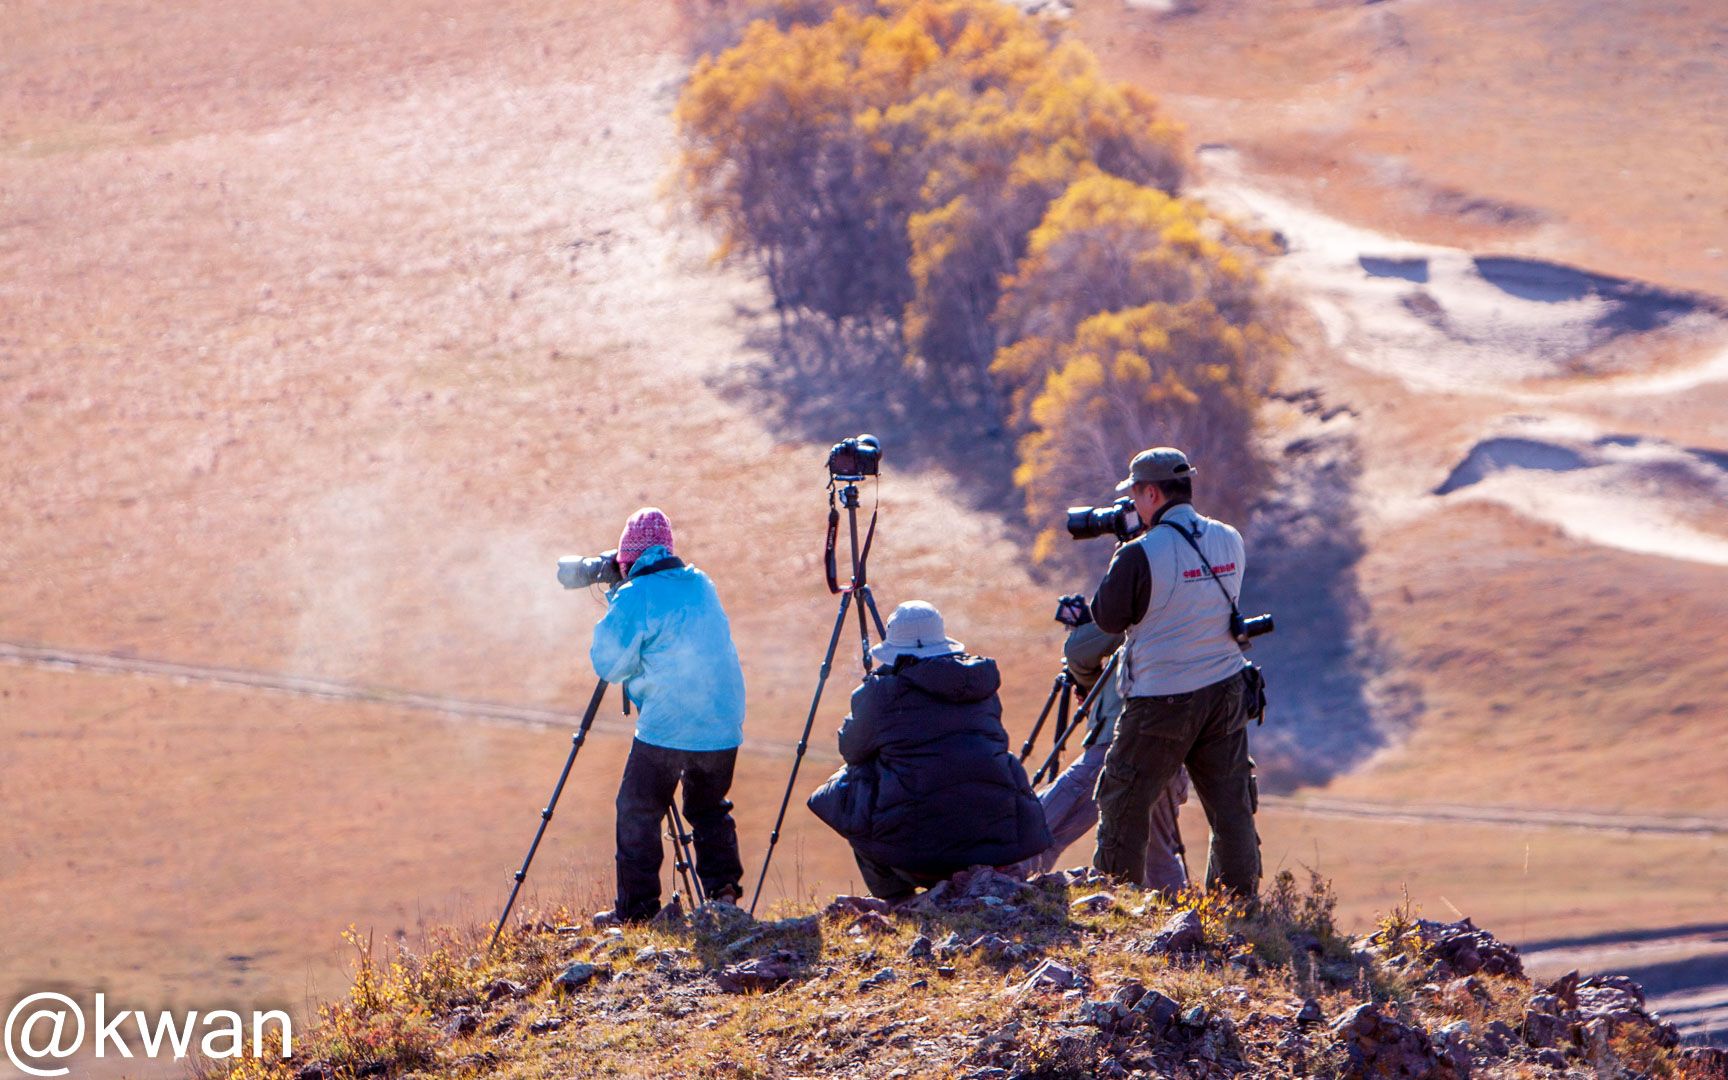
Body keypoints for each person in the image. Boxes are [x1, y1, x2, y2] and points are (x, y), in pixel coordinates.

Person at [1090, 447, 1261, 898]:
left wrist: (1124, 551)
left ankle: (1116, 904)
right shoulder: (1230, 538)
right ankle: (1236, 907)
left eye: (1135, 497)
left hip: (1161, 699)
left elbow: (1107, 618)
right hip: (1225, 689)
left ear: (1151, 493)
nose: (1132, 507)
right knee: (1231, 806)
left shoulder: (1140, 555)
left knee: (1125, 799)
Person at [807, 601, 1052, 902]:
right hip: (998, 846)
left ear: (895, 651)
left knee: (847, 788)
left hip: (917, 859)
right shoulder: (979, 687)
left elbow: (852, 750)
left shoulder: (882, 693)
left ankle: (898, 901)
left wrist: (869, 695)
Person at [590, 507, 747, 922]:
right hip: (723, 723)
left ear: (628, 559)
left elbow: (610, 665)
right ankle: (724, 897)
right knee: (709, 806)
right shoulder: (702, 584)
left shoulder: (635, 596)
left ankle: (638, 912)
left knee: (638, 809)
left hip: (669, 726)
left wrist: (616, 599)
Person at [1013, 618, 1190, 893]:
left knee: (1042, 826)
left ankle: (1003, 886)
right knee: (1158, 851)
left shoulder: (1141, 603)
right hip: (1174, 746)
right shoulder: (1192, 610)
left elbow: (1078, 650)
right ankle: (1180, 916)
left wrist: (1090, 681)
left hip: (1118, 740)